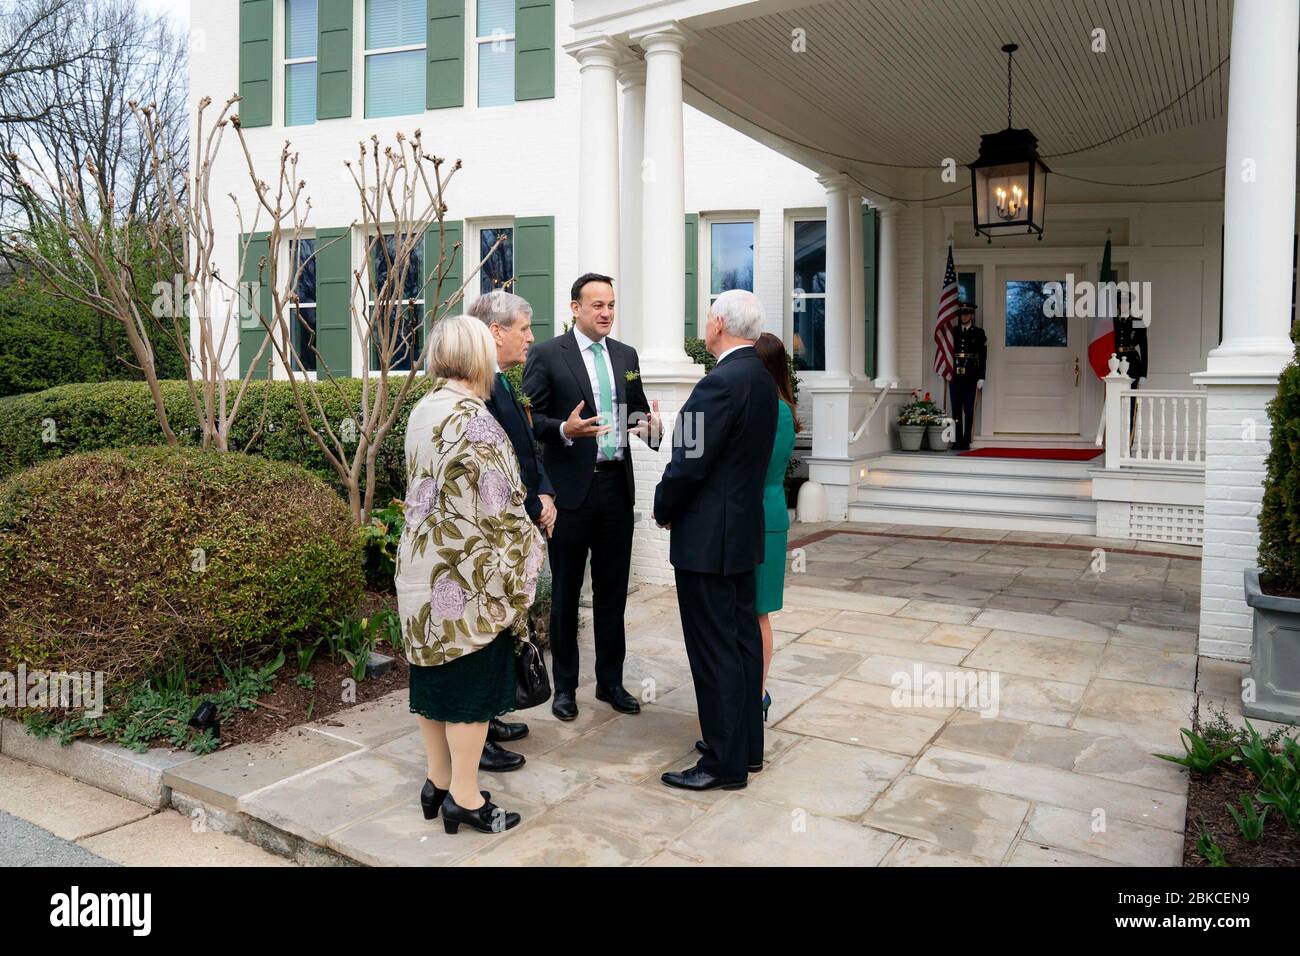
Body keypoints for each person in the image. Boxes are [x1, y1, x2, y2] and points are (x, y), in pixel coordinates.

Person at [395, 314, 545, 835]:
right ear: (478, 357)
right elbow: (504, 506)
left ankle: (437, 781)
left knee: (432, 677)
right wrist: (528, 557)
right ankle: (465, 795)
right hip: (464, 576)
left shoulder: (423, 409)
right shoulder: (473, 418)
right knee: (470, 686)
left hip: (421, 567)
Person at [522, 272, 661, 721]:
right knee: (564, 593)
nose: (606, 313)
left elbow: (636, 411)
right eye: (597, 305)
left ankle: (610, 682)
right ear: (575, 308)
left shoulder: (626, 355)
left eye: (612, 305)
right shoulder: (546, 355)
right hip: (568, 493)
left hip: (615, 487)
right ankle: (564, 688)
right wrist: (564, 429)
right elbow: (530, 420)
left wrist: (650, 429)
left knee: (612, 593)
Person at [654, 289, 778, 791]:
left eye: (708, 317)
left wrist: (663, 507)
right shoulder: (763, 379)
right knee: (743, 644)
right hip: (741, 536)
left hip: (708, 541)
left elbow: (687, 464)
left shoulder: (717, 384)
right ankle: (745, 748)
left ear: (721, 323)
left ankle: (724, 763)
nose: (705, 325)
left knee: (714, 652)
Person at [467, 290, 555, 774]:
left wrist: (546, 493)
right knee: (485, 632)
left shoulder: (502, 381)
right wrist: (528, 503)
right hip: (493, 535)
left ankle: (492, 714)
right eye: (524, 328)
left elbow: (527, 450)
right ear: (495, 331)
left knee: (505, 627)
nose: (530, 337)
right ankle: (475, 736)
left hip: (523, 519)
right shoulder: (476, 389)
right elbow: (492, 474)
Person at [749, 332, 798, 720]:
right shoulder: (773, 404)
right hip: (764, 513)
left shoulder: (776, 411)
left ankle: (758, 691)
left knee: (757, 612)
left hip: (763, 516)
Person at [949, 302, 986, 451]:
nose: (964, 316)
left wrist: (981, 376)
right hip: (955, 376)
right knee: (956, 410)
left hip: (971, 377)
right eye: (962, 314)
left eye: (967, 314)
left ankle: (966, 440)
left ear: (972, 315)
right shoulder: (953, 332)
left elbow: (982, 356)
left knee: (969, 410)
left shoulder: (979, 333)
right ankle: (957, 440)